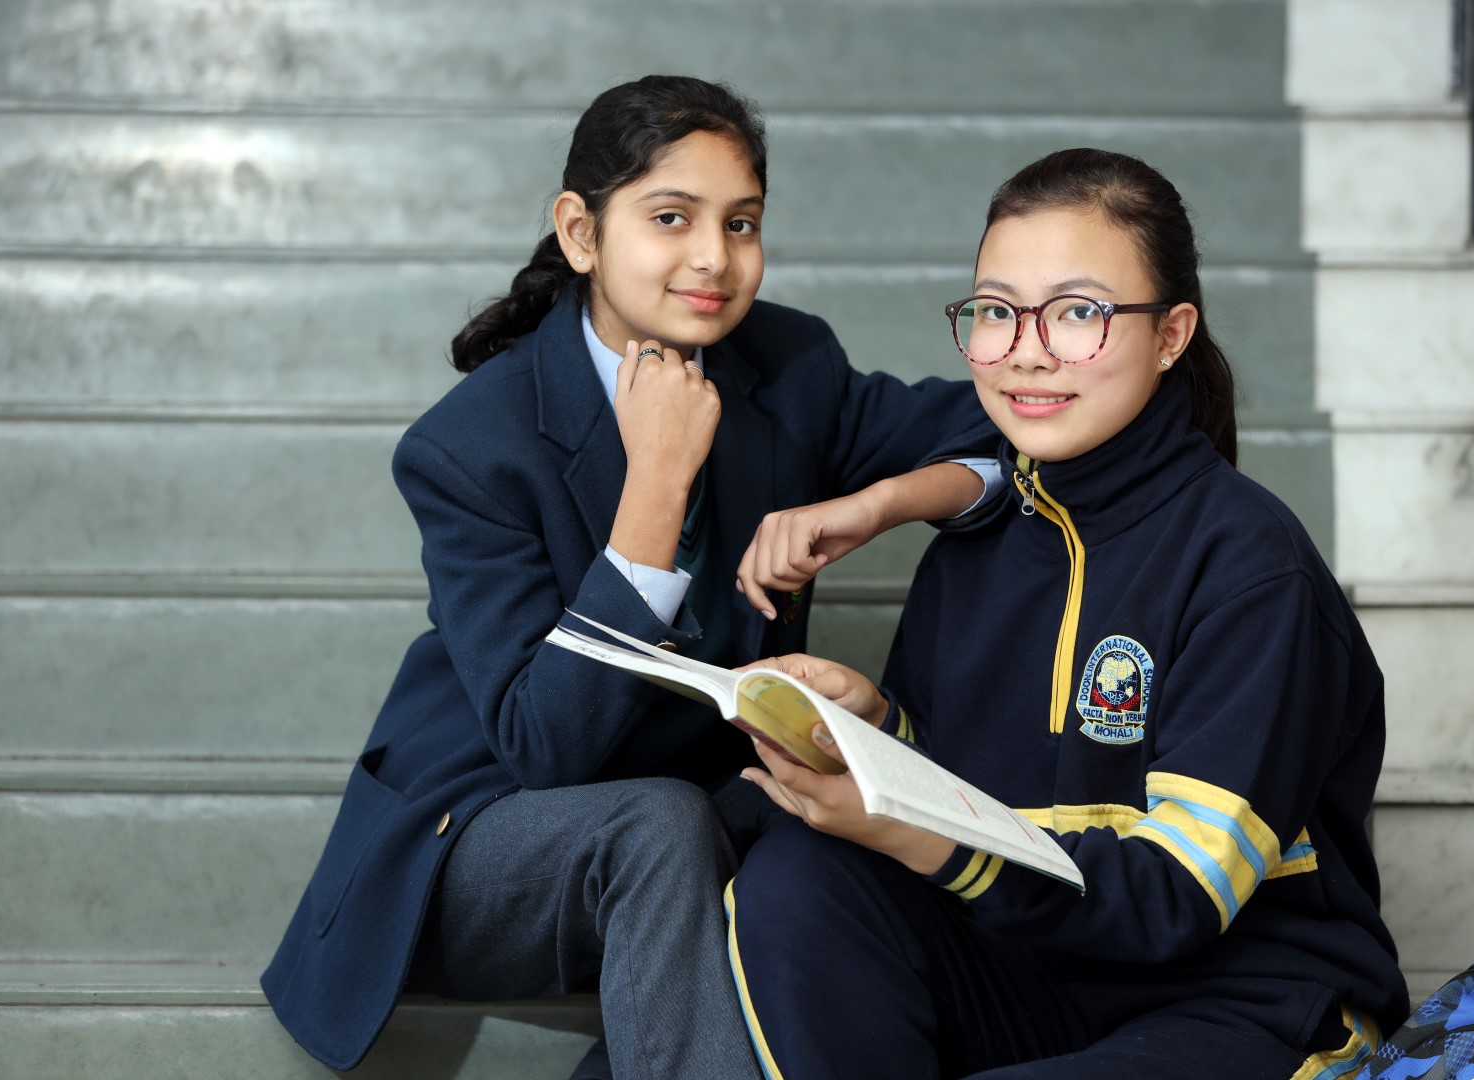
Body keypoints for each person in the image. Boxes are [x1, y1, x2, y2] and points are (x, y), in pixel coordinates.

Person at [260, 75, 997, 1077]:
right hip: (480, 839)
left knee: (835, 826)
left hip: (701, 811)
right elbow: (546, 748)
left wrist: (882, 503)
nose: (715, 256)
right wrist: (656, 481)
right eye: (670, 217)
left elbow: (1014, 419)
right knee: (660, 826)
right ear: (580, 232)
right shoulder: (470, 447)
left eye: (742, 222)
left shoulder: (789, 364)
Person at [728, 148, 1412, 1079]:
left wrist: (905, 828)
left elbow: (1176, 897)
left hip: (1238, 1007)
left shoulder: (1252, 566)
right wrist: (878, 726)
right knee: (796, 878)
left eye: (1079, 312)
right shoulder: (977, 543)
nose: (1027, 350)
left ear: (1171, 335)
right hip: (1031, 983)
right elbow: (974, 781)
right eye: (996, 311)